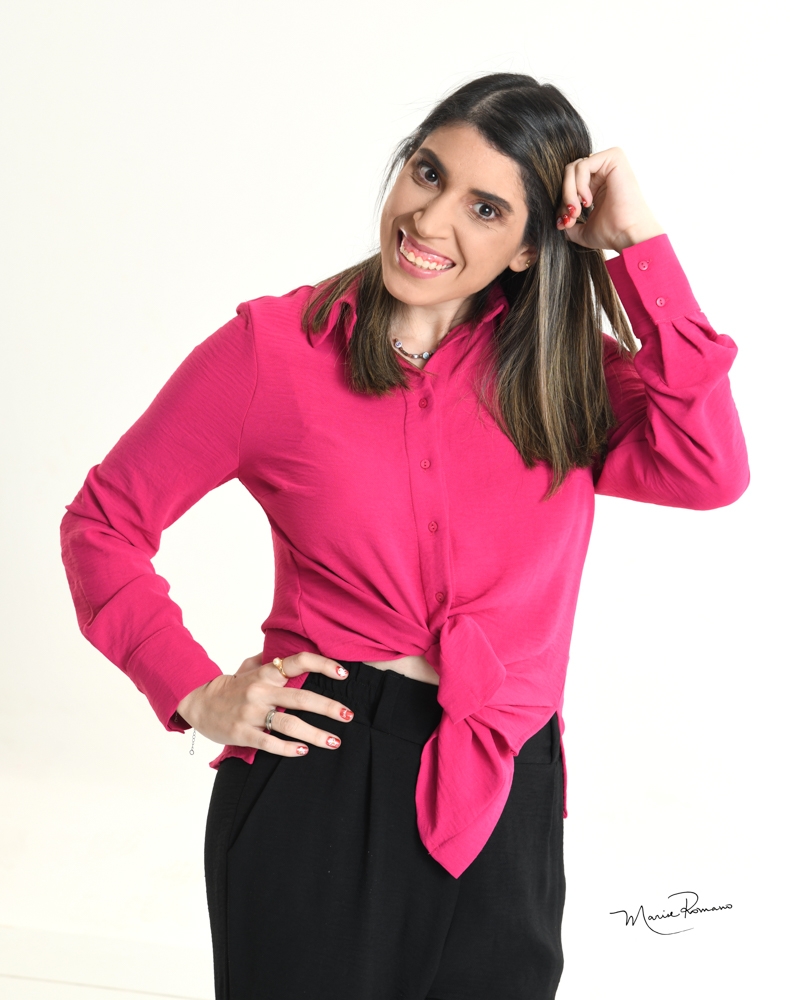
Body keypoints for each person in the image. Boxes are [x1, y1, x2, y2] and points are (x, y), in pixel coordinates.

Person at [60, 72, 749, 1000]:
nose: (429, 220)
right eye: (427, 173)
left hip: (509, 778)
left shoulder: (567, 375)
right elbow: (102, 524)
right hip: (323, 768)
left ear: (529, 247)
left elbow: (709, 470)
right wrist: (195, 691)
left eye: (485, 208)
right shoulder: (272, 351)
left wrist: (639, 249)